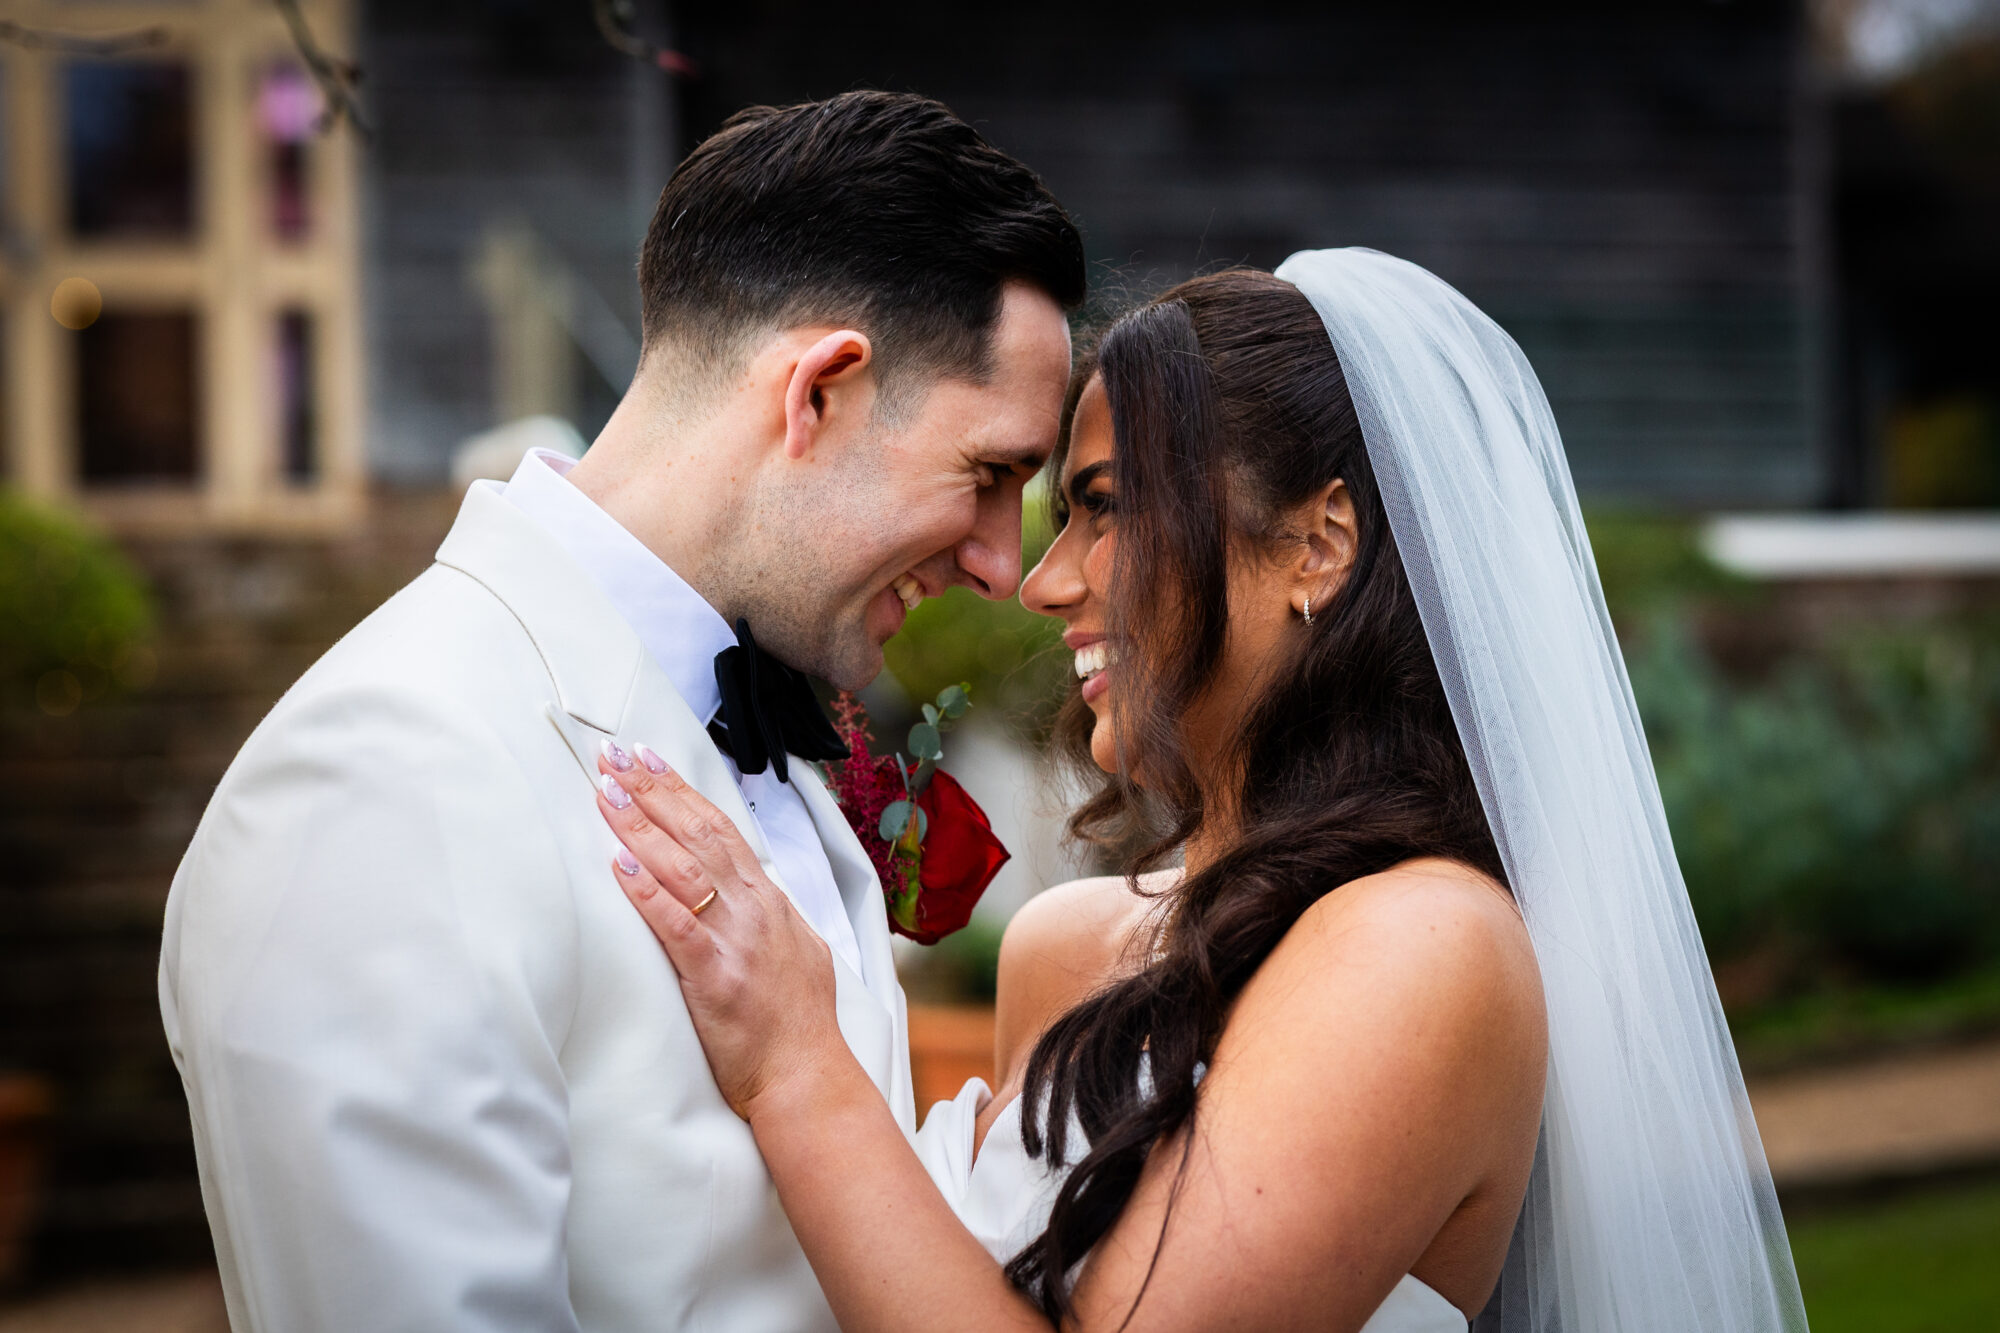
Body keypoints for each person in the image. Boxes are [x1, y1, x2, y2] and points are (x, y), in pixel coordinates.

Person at [595, 256, 1811, 1331]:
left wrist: (799, 1071)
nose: (1045, 581)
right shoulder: (1064, 950)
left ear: (1315, 547)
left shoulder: (1425, 947)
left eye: (1106, 507)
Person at [157, 91, 1083, 1332]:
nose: (997, 565)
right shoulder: (385, 769)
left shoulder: (770, 735)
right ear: (820, 392)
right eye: (989, 476)